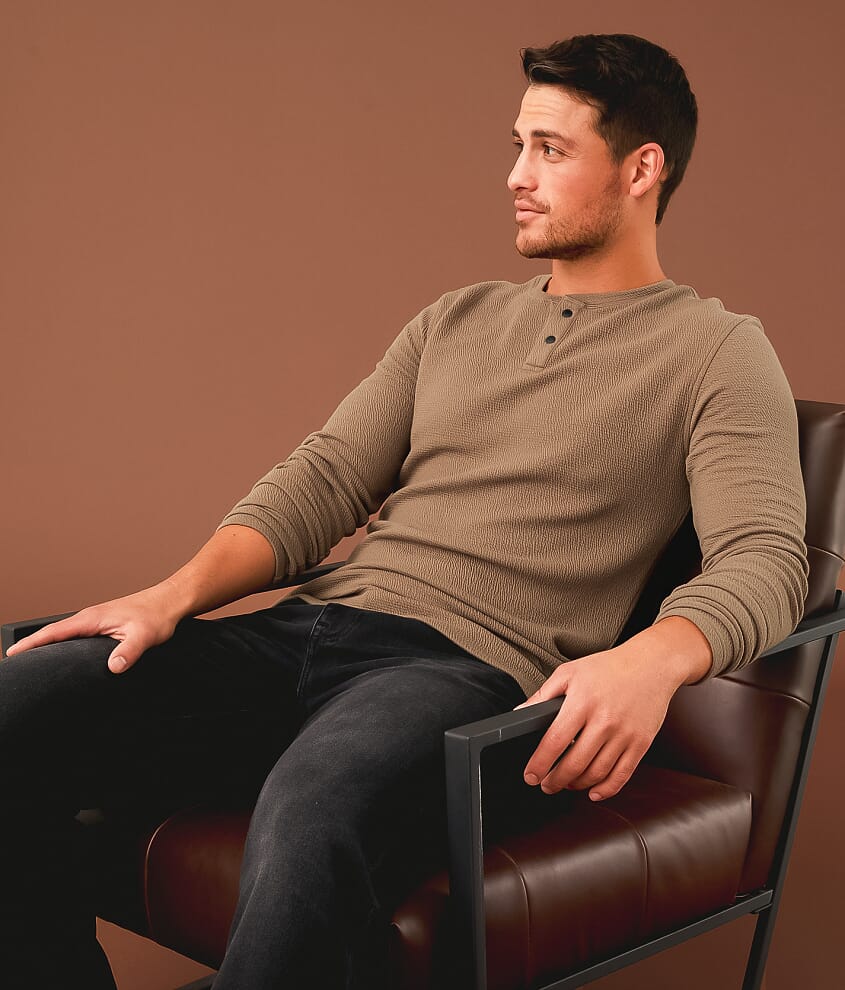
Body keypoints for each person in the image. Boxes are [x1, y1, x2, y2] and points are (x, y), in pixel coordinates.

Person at [0, 32, 808, 990]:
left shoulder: (717, 351)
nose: (516, 175)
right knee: (23, 695)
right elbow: (326, 477)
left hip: (464, 675)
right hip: (301, 636)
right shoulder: (454, 319)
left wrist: (650, 659)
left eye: (550, 150)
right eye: (517, 145)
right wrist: (167, 597)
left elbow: (766, 559)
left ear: (641, 169)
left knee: (314, 806)